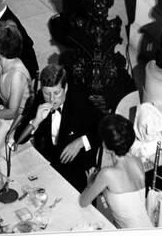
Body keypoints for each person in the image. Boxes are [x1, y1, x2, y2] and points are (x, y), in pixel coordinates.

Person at [10, 64, 101, 192]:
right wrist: (36, 121)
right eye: (47, 93)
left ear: (66, 88)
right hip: (48, 164)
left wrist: (81, 141)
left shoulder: (81, 101)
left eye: (57, 93)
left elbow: (104, 128)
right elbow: (18, 138)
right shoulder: (39, 99)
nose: (52, 99)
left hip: (77, 169)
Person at [79, 114, 153, 229]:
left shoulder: (107, 174)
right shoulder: (137, 161)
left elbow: (83, 202)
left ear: (105, 146)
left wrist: (89, 184)